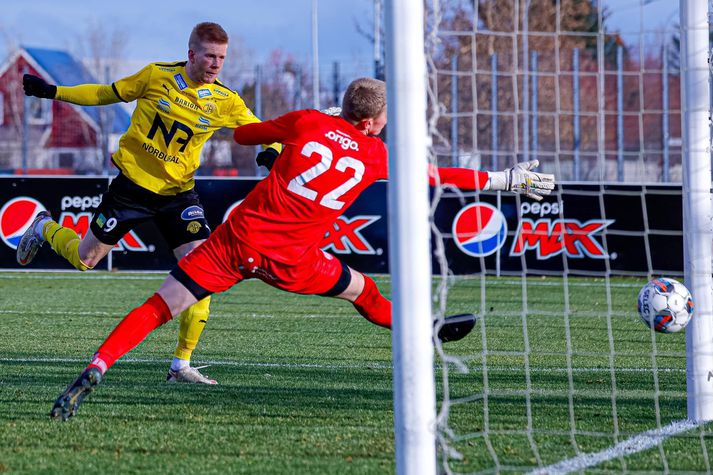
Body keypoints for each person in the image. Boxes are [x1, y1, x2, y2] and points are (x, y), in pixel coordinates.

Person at [48, 77, 555, 421]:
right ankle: (420, 330)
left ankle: (99, 363)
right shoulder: (378, 154)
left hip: (235, 243)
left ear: (344, 105)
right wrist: (503, 179)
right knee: (362, 290)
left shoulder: (307, 121)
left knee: (161, 305)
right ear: (376, 122)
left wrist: (305, 125)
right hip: (292, 261)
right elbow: (437, 177)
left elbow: (245, 135)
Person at [17, 22, 281, 385]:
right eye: (210, 56)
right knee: (85, 259)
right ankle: (44, 226)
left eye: (222, 57)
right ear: (191, 54)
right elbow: (104, 94)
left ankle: (180, 366)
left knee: (202, 270)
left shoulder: (226, 100)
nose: (217, 63)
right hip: (131, 189)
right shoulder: (156, 76)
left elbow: (264, 130)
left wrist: (271, 152)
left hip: (178, 195)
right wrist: (53, 91)